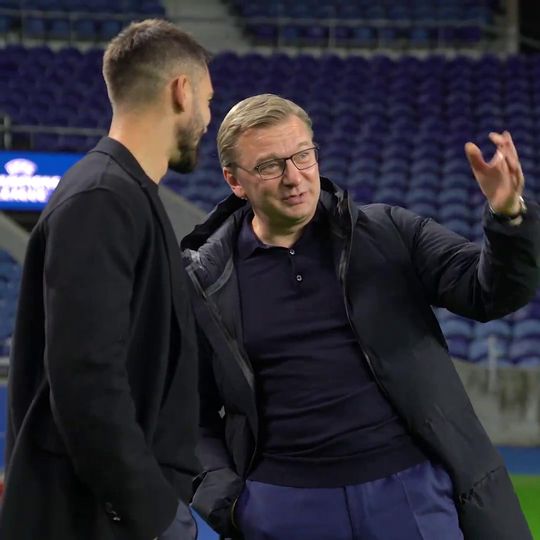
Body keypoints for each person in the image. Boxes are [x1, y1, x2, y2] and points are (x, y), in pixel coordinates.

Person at [181, 94, 538, 540]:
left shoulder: (389, 232)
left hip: (410, 492)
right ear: (235, 180)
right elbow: (186, 414)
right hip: (283, 505)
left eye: (303, 156)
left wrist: (508, 217)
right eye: (270, 166)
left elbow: (490, 293)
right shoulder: (203, 280)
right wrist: (230, 502)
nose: (295, 178)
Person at [0, 19, 213, 540]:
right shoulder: (103, 198)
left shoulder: (120, 193)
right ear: (181, 92)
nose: (209, 117)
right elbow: (86, 377)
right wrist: (154, 511)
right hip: (94, 517)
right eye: (209, 99)